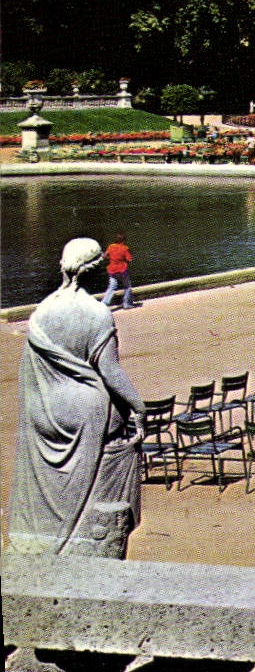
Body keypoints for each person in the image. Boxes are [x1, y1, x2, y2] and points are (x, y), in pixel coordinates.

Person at [9, 238, 146, 557]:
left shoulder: (42, 312)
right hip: (87, 412)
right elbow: (110, 372)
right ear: (96, 270)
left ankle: (47, 542)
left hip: (45, 410)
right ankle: (85, 544)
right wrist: (138, 407)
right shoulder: (96, 314)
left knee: (51, 487)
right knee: (95, 488)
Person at [100, 234, 136, 310]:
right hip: (122, 270)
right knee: (127, 287)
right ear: (123, 241)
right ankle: (126, 304)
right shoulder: (124, 248)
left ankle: (104, 304)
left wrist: (111, 258)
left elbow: (104, 256)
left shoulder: (111, 246)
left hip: (112, 270)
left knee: (112, 287)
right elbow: (129, 259)